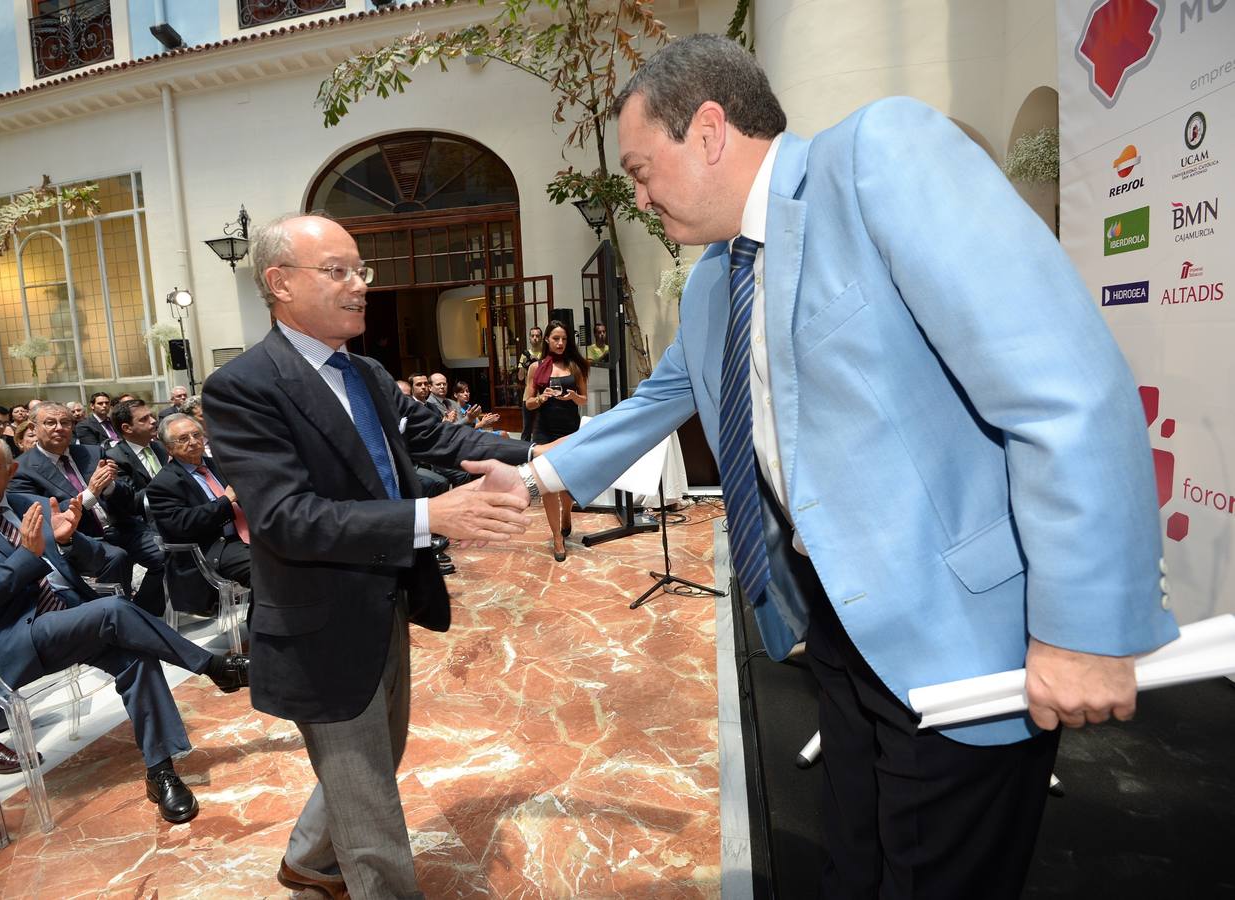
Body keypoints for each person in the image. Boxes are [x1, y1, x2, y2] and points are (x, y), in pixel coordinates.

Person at [474, 35, 1179, 898]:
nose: (638, 193)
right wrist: (535, 475)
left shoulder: (877, 159)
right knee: (853, 864)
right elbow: (656, 405)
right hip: (839, 634)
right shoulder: (709, 284)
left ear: (706, 131)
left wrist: (1080, 628)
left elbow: (1062, 388)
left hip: (965, 636)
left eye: (639, 168)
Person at [203, 212, 532, 899]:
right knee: (372, 810)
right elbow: (287, 519)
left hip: (384, 600)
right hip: (318, 622)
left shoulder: (367, 373)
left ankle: (310, 861)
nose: (359, 287)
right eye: (338, 272)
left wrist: (543, 459)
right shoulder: (243, 387)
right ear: (279, 284)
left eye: (361, 271)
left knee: (375, 760)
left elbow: (439, 440)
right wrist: (430, 515)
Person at [0, 434, 249, 818]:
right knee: (114, 610)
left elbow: (106, 560)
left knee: (137, 658)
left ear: (11, 470)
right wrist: (26, 556)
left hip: (70, 621)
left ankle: (161, 771)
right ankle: (215, 667)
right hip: (7, 641)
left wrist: (70, 542)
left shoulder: (33, 505)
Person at [11, 402, 166, 615]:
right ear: (33, 427)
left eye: (65, 422)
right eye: (50, 423)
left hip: (120, 526)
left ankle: (143, 612)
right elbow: (46, 514)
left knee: (165, 553)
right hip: (78, 537)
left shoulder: (91, 452)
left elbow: (127, 496)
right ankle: (107, 620)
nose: (59, 428)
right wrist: (91, 493)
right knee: (117, 558)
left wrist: (110, 486)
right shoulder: (23, 469)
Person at [145, 414, 250, 613]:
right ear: (168, 448)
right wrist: (225, 502)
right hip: (214, 547)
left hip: (248, 534)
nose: (193, 442)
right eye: (183, 439)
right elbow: (182, 525)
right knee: (266, 570)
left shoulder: (219, 464)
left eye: (196, 435)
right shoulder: (163, 484)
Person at [522, 319, 587, 562]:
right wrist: (542, 398)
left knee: (567, 483)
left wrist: (572, 396)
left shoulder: (575, 365)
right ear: (547, 340)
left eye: (564, 339)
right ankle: (557, 539)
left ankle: (566, 513)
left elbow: (584, 399)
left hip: (569, 430)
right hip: (544, 431)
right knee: (547, 484)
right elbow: (527, 402)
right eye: (556, 338)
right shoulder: (535, 367)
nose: (560, 343)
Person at [105, 399, 169, 514]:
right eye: (144, 419)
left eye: (151, 416)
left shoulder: (162, 447)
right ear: (127, 428)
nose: (154, 421)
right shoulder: (114, 458)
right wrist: (170, 487)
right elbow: (131, 500)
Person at [516, 326, 544, 441]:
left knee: (541, 427)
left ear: (541, 338)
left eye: (537, 336)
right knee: (527, 428)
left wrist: (537, 362)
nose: (535, 338)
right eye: (532, 336)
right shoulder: (525, 354)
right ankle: (524, 453)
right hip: (528, 396)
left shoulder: (545, 353)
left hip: (542, 395)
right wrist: (524, 365)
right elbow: (520, 377)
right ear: (529, 338)